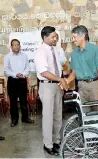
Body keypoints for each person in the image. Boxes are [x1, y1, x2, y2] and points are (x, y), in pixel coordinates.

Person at [34, 26, 68, 156]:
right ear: (45, 37)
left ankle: (56, 141)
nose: (55, 39)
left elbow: (58, 67)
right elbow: (44, 72)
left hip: (57, 86)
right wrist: (61, 79)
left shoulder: (55, 50)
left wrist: (62, 80)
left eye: (56, 36)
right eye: (53, 37)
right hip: (47, 86)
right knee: (48, 116)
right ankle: (48, 144)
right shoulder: (40, 52)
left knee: (58, 115)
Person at [65, 25, 98, 108]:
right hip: (81, 87)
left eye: (74, 37)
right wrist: (66, 81)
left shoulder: (95, 49)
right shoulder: (74, 53)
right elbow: (74, 72)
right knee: (84, 115)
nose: (73, 40)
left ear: (83, 36)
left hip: (95, 86)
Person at [4, 39, 34, 127]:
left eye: (18, 45)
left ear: (20, 46)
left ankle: (25, 118)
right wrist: (15, 74)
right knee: (13, 102)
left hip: (22, 80)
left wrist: (23, 74)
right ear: (11, 47)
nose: (16, 46)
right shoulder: (8, 56)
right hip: (12, 80)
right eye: (14, 45)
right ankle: (14, 119)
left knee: (24, 100)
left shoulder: (24, 56)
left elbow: (28, 68)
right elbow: (6, 70)